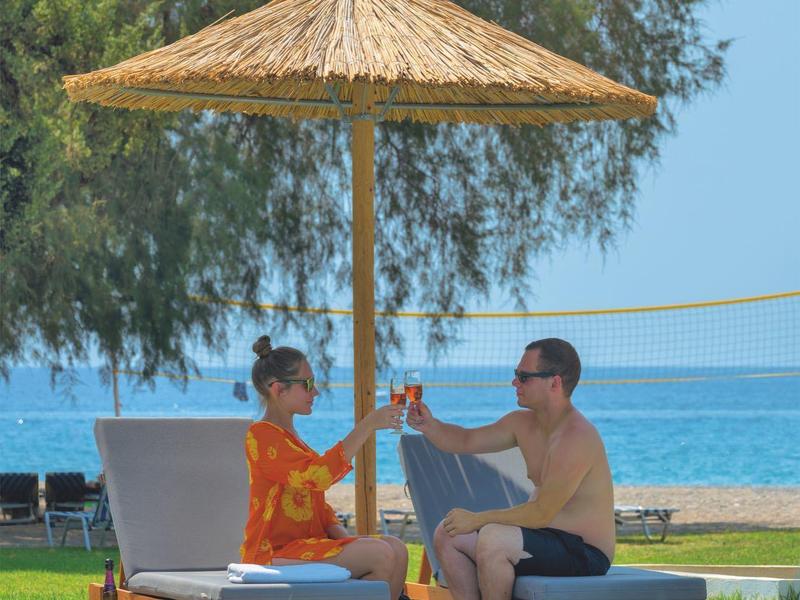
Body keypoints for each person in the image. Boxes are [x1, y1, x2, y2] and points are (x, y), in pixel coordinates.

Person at [407, 338, 614, 600]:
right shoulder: (522, 424)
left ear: (555, 382)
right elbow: (464, 440)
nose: (514, 382)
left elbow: (540, 513)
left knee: (494, 538)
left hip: (585, 553)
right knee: (447, 533)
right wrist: (430, 425)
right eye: (516, 375)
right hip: (544, 537)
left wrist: (477, 519)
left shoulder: (576, 437)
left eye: (524, 377)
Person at [240, 335, 409, 600]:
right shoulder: (261, 436)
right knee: (381, 554)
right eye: (307, 384)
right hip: (272, 551)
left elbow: (317, 506)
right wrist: (367, 426)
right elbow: (318, 477)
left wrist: (349, 541)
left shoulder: (291, 438)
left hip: (304, 547)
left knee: (396, 547)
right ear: (278, 389)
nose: (315, 392)